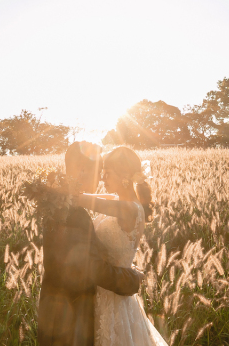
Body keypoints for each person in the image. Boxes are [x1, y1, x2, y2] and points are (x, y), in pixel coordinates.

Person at [38, 141, 144, 346]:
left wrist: (66, 193)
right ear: (83, 170)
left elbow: (98, 200)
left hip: (80, 310)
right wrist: (133, 278)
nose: (102, 179)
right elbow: (91, 268)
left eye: (106, 172)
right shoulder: (70, 213)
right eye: (99, 172)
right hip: (69, 319)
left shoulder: (63, 207)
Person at [72, 146, 168, 346]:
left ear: (124, 176)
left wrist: (61, 189)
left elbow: (83, 200)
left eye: (107, 173)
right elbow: (95, 199)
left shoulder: (128, 208)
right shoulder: (122, 201)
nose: (102, 178)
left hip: (113, 295)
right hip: (107, 285)